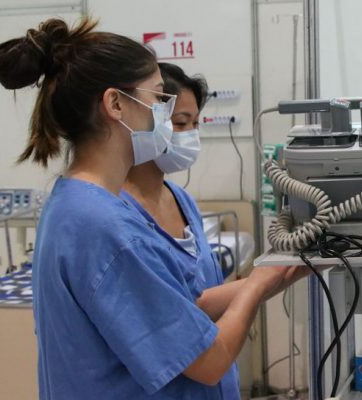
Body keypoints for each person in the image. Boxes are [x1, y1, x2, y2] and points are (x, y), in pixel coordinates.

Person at [0, 18, 306, 398]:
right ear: (115, 104)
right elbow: (209, 361)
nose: (165, 115)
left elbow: (182, 307)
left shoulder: (75, 204)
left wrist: (278, 272)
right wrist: (255, 288)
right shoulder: (105, 227)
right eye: (159, 99)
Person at [120, 62, 240, 398]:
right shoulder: (118, 215)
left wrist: (275, 273)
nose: (189, 136)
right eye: (179, 123)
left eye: (195, 124)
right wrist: (258, 288)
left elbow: (198, 300)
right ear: (145, 120)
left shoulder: (182, 200)